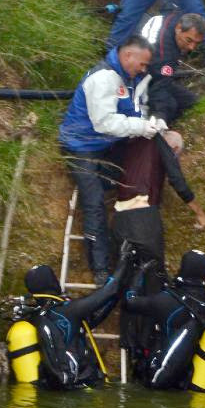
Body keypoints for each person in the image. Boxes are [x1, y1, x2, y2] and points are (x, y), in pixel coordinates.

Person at [59, 34, 165, 285]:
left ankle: (121, 245)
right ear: (128, 55)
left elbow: (133, 111)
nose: (144, 69)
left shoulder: (127, 79)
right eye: (142, 63)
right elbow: (104, 122)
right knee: (94, 202)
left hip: (105, 145)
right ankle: (100, 268)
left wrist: (152, 121)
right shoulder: (104, 78)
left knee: (127, 179)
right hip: (80, 145)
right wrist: (140, 127)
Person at [0, 245, 134, 389]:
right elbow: (108, 291)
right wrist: (123, 260)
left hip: (61, 387)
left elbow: (94, 318)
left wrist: (119, 291)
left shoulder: (39, 315)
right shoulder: (67, 310)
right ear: (51, 282)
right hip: (81, 388)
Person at [124, 250, 205, 391]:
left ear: (183, 268)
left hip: (160, 378)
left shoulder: (166, 300)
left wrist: (139, 273)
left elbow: (130, 301)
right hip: (191, 380)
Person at [112, 130, 205, 272]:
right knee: (153, 272)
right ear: (174, 149)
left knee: (124, 273)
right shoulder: (159, 143)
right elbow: (177, 181)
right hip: (142, 216)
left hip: (119, 216)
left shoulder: (134, 143)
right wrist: (200, 213)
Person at [141, 12, 205, 124]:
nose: (192, 47)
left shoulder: (173, 18)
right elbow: (159, 85)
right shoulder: (164, 54)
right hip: (141, 81)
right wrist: (160, 115)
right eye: (189, 40)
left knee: (191, 101)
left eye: (197, 43)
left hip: (156, 72)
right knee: (170, 106)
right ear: (178, 28)